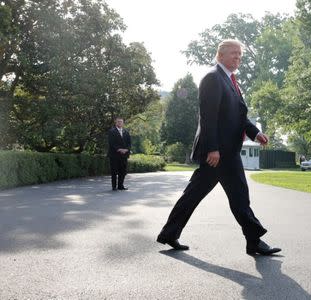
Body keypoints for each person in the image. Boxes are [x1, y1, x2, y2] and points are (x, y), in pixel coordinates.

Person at [157, 39, 281, 256]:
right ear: (220, 55)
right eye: (234, 53)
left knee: (204, 194)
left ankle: (170, 233)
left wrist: (256, 133)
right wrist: (212, 148)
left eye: (240, 55)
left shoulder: (231, 81)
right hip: (217, 154)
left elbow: (239, 116)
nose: (238, 57)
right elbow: (208, 117)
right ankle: (254, 240)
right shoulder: (213, 78)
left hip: (228, 152)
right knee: (233, 196)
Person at [107, 117, 131, 190]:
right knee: (114, 171)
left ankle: (121, 186)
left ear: (123, 123)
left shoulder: (126, 132)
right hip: (114, 154)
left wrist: (126, 149)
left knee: (123, 171)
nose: (120, 123)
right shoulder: (111, 131)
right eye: (118, 122)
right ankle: (114, 187)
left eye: (121, 122)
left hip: (124, 155)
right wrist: (119, 149)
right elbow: (111, 142)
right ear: (116, 123)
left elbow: (129, 143)